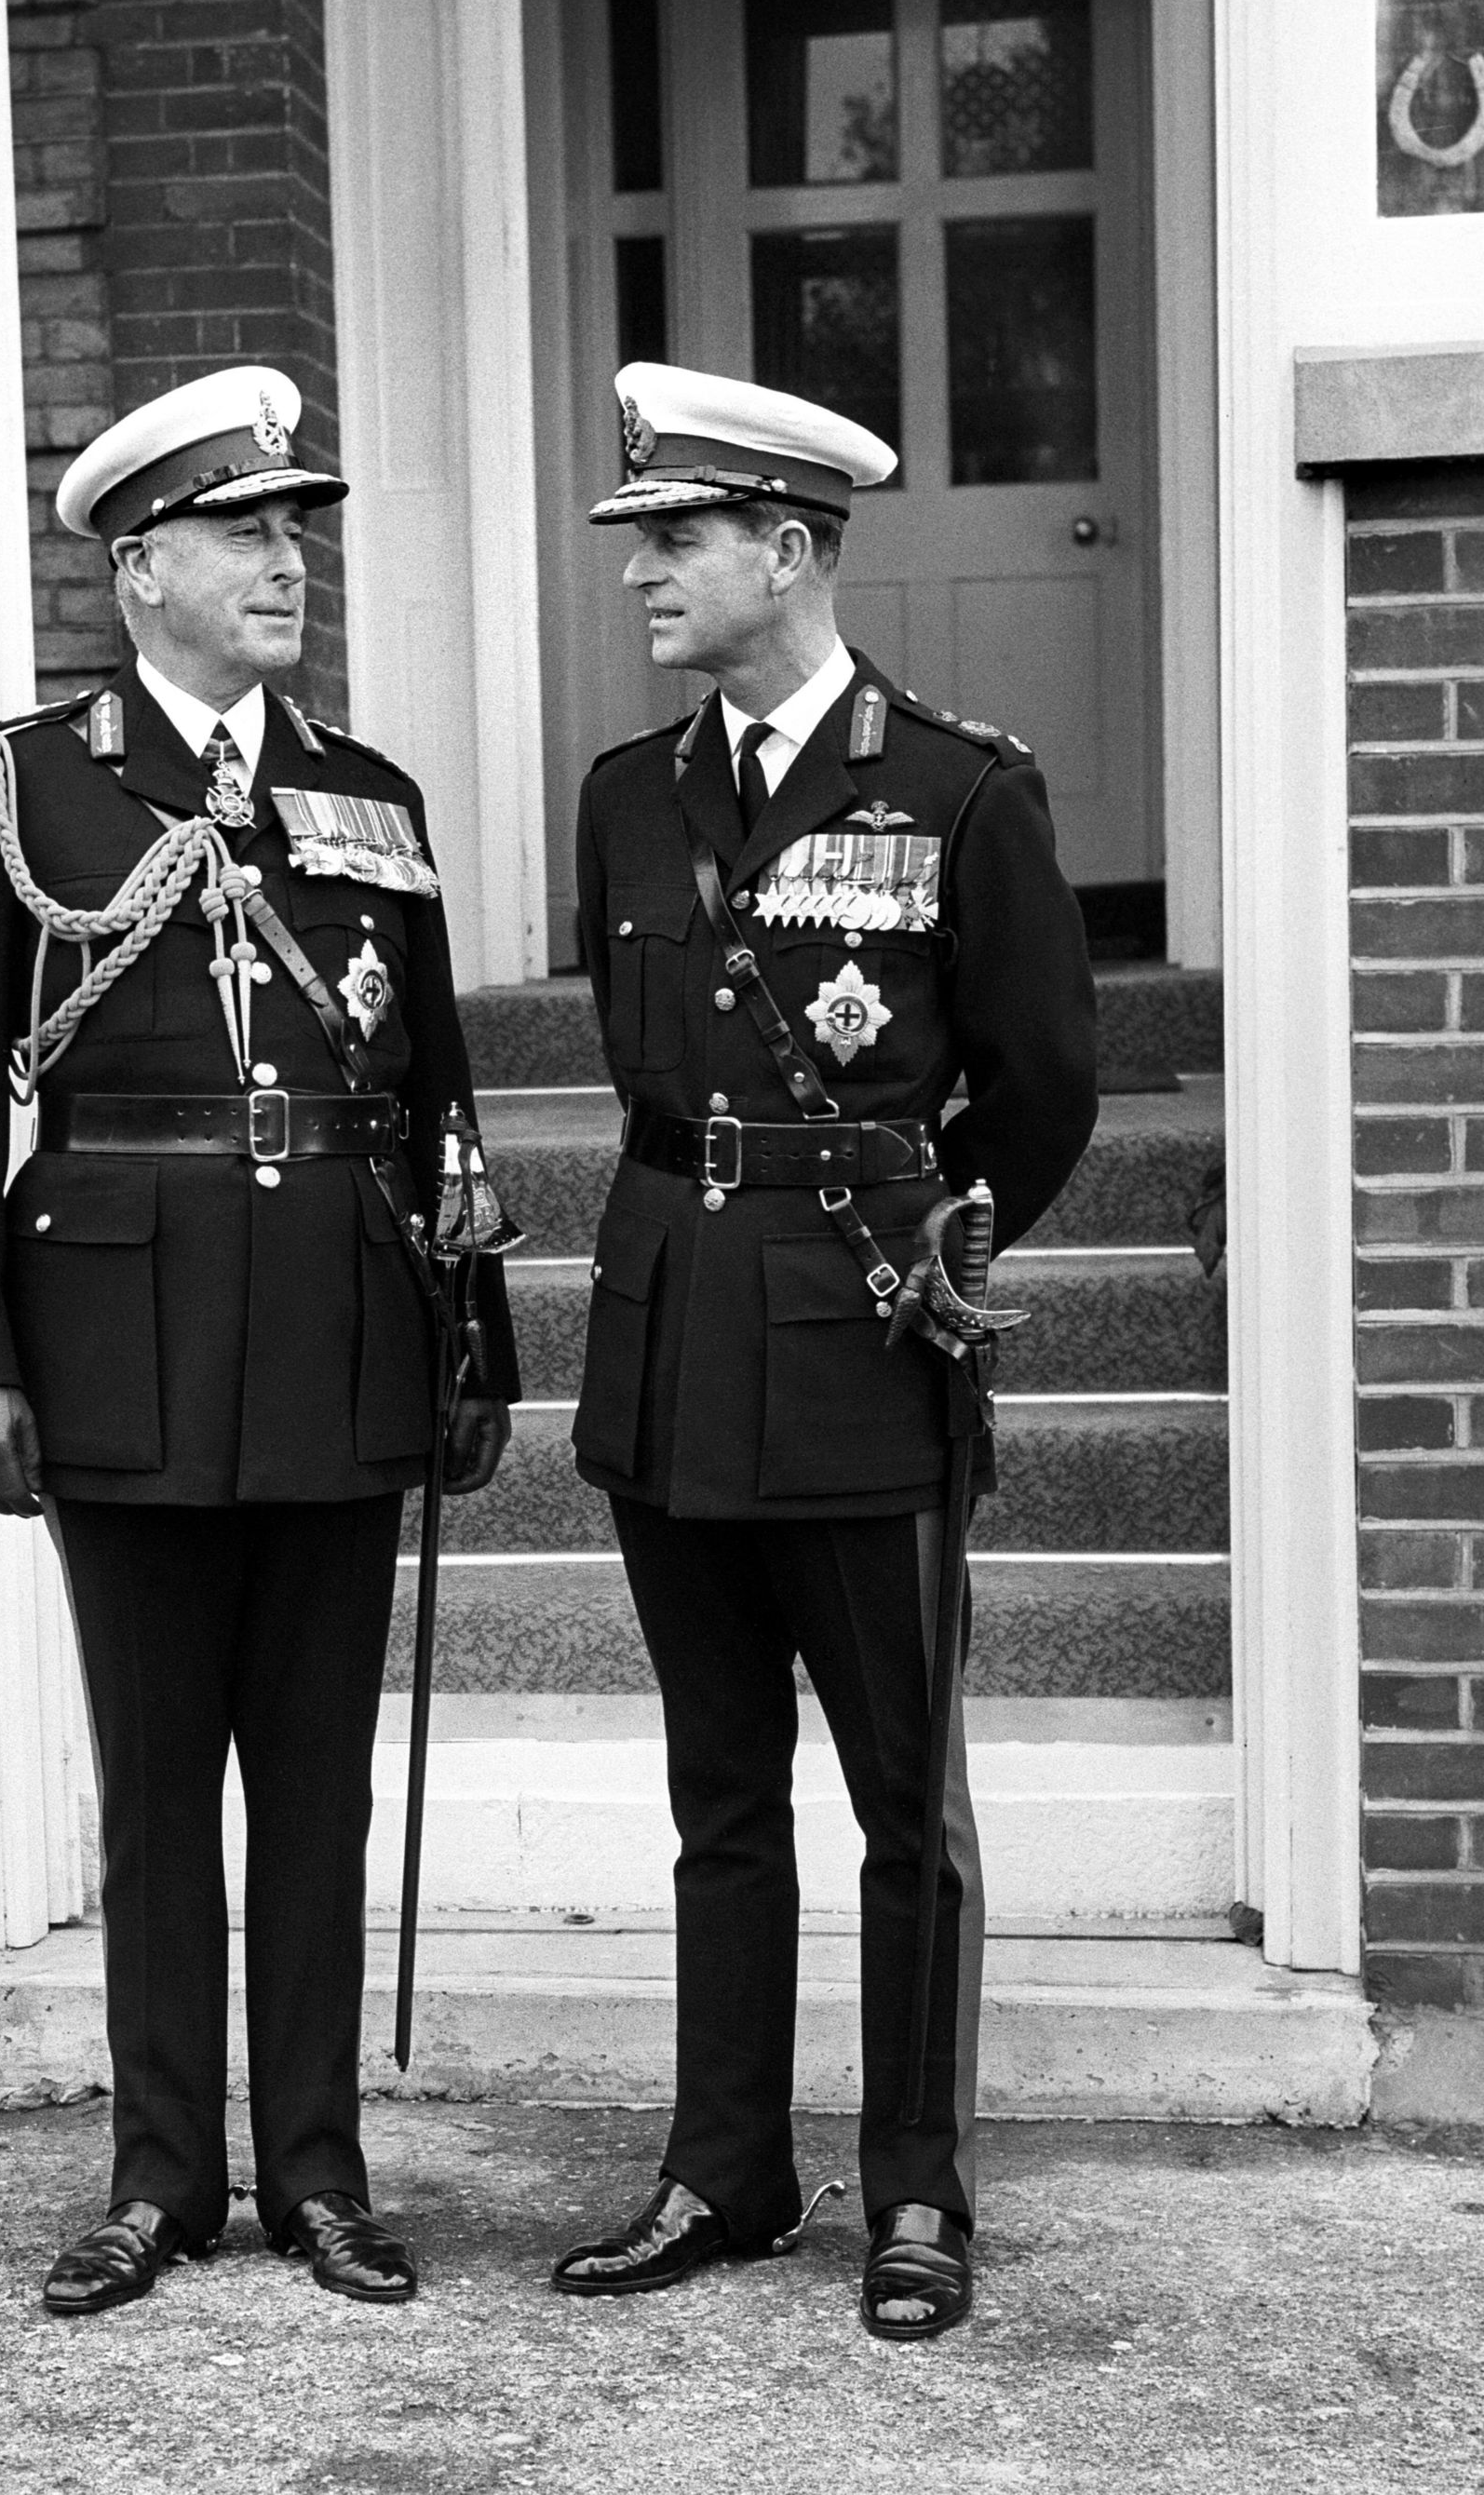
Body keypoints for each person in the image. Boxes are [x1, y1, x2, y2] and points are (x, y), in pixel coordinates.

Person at [0, 365, 517, 2316]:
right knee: (160, 1779)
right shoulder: (25, 784)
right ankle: (159, 2177)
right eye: (245, 531)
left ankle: (317, 2174)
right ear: (137, 565)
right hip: (120, 1337)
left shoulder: (368, 793)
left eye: (297, 529)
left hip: (337, 1322)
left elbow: (441, 1102)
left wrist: (468, 1337)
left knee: (315, 1778)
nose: (287, 560)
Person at [550, 363, 1097, 2337]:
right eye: (641, 548)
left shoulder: (958, 788)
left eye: (675, 542)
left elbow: (1040, 1086)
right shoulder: (630, 796)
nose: (642, 579)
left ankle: (917, 2192)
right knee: (716, 1792)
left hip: (862, 1341)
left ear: (786, 551)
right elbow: (644, 1086)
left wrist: (940, 1251)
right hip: (671, 1331)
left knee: (897, 1799)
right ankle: (724, 2169)